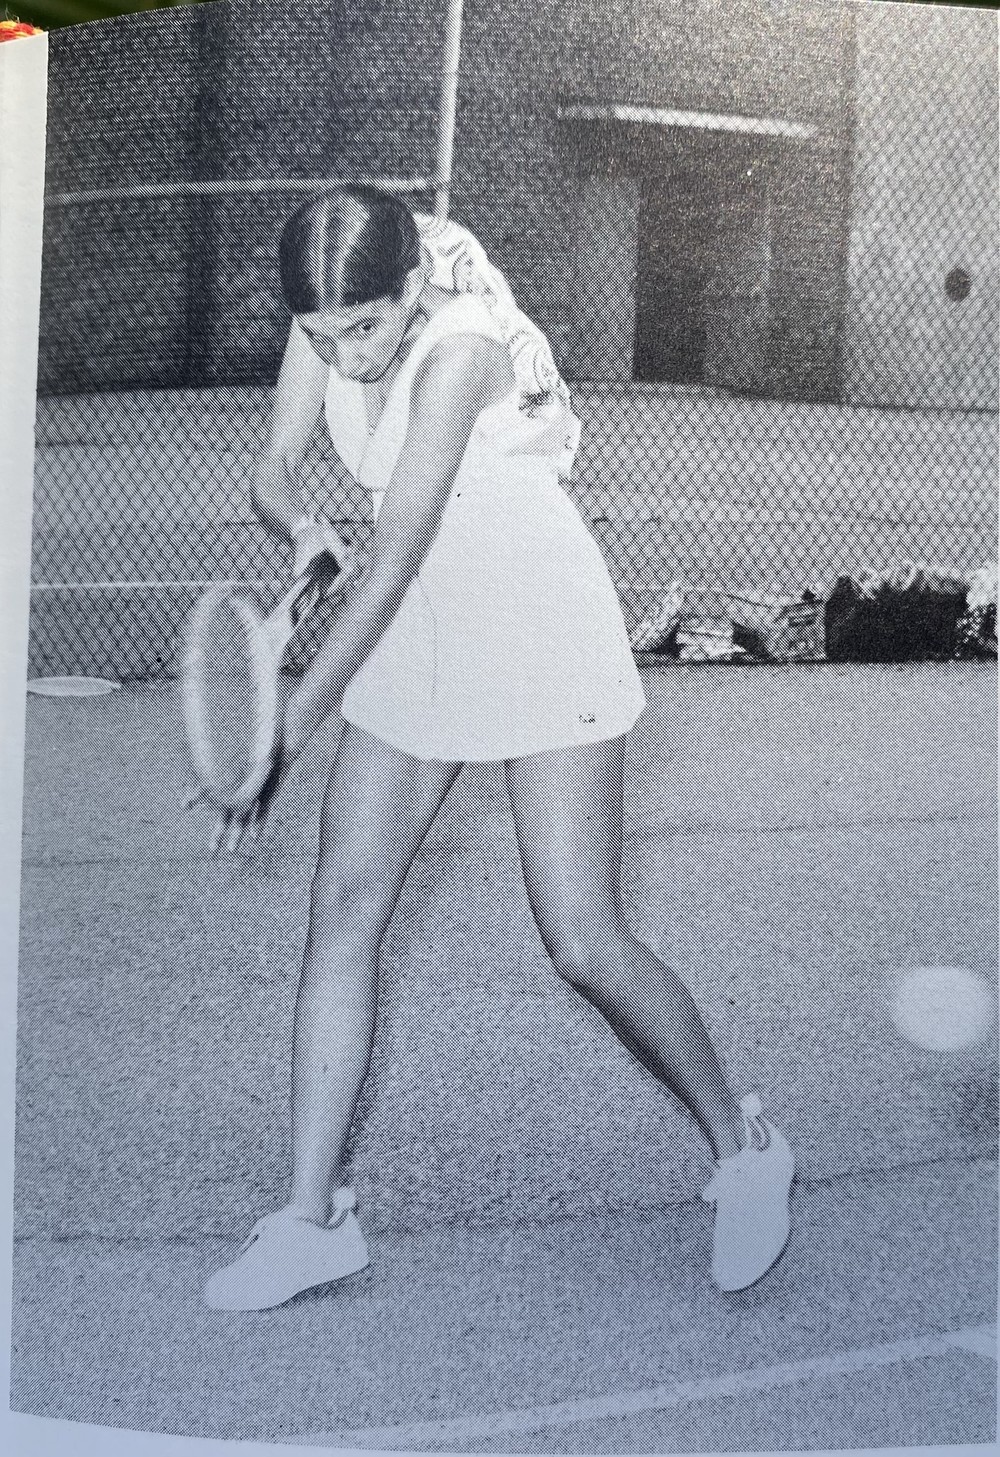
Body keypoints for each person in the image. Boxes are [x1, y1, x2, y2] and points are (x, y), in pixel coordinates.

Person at [201, 187, 794, 1311]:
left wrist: (281, 734)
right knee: (344, 908)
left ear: (409, 291)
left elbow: (392, 563)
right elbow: (274, 464)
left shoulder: (459, 350)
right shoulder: (330, 305)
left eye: (365, 330)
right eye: (323, 338)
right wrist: (301, 523)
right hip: (423, 621)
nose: (347, 356)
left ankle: (744, 1145)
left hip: (532, 611)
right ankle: (311, 1219)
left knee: (580, 940)